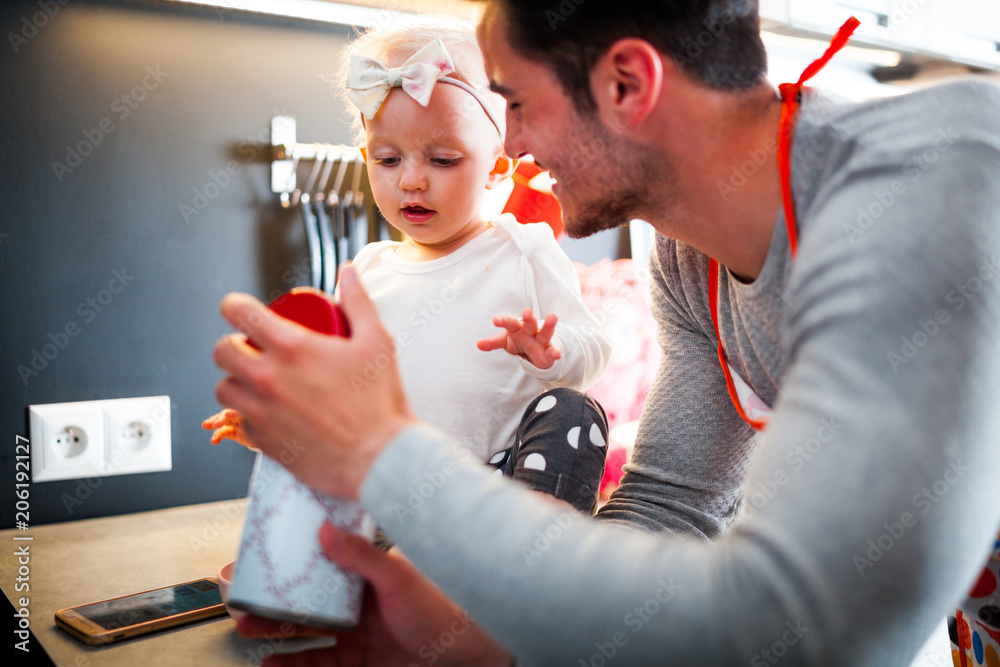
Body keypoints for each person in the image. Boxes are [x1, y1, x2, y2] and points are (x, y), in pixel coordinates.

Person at [212, 0, 1000, 665]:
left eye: (514, 102)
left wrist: (377, 449)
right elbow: (669, 507)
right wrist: (468, 630)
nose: (509, 146)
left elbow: (808, 624)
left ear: (627, 83)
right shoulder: (691, 259)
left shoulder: (929, 179)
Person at [205, 26, 612, 517]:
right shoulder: (365, 274)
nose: (412, 180)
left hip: (498, 499)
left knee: (575, 411)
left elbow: (596, 348)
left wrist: (553, 352)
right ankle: (386, 570)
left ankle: (528, 563)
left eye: (443, 159)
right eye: (388, 159)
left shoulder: (524, 251)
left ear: (498, 168)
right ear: (365, 161)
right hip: (394, 504)